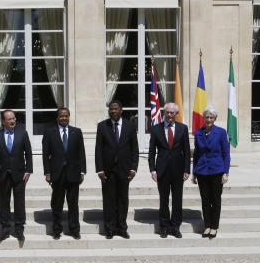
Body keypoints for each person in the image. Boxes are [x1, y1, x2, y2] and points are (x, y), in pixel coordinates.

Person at [95, 100, 139, 239]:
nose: (113, 111)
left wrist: (133, 168)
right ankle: (109, 229)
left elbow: (134, 149)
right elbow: (98, 149)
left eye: (115, 109)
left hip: (124, 170)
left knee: (122, 200)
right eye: (111, 109)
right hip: (107, 171)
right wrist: (100, 169)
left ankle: (122, 228)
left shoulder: (130, 126)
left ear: (121, 110)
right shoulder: (102, 126)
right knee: (108, 200)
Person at [42, 107, 86, 240]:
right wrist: (47, 172)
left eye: (66, 116)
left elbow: (81, 153)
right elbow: (45, 155)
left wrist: (82, 171)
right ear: (57, 118)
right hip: (57, 174)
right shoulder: (49, 132)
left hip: (73, 173)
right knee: (57, 203)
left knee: (73, 204)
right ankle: (56, 230)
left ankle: (74, 230)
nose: (64, 118)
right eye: (61, 116)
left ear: (69, 117)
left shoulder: (76, 132)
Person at [0, 110, 32, 242]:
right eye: (9, 119)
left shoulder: (22, 134)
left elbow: (28, 154)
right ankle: (5, 229)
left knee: (19, 202)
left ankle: (19, 230)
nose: (13, 121)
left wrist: (28, 170)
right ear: (3, 121)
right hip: (3, 175)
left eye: (14, 118)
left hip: (19, 174)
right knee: (4, 203)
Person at [148, 102, 191, 238]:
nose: (170, 115)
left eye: (172, 113)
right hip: (162, 170)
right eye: (167, 112)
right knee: (164, 199)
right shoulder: (155, 129)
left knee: (177, 200)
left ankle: (175, 226)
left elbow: (186, 151)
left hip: (178, 170)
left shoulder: (183, 129)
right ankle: (164, 226)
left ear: (176, 114)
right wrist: (153, 170)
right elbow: (151, 152)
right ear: (163, 113)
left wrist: (187, 169)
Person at [192, 106, 230, 239]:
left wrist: (226, 172)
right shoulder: (198, 133)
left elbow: (226, 154)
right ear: (203, 118)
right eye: (207, 117)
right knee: (205, 200)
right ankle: (207, 225)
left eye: (211, 117)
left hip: (217, 171)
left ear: (215, 119)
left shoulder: (221, 132)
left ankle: (214, 227)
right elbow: (196, 154)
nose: (208, 120)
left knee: (216, 200)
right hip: (202, 171)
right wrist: (194, 172)